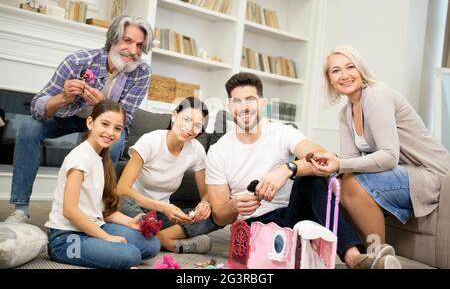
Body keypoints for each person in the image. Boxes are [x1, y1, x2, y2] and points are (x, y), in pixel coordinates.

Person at [206, 72, 402, 269]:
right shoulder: (218, 151)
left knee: (311, 178)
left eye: (250, 100)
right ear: (230, 107)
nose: (244, 107)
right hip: (255, 225)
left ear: (263, 104)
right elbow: (219, 216)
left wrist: (287, 169)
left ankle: (354, 258)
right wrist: (233, 206)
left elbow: (323, 158)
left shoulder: (282, 133)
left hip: (294, 214)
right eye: (237, 102)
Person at [6, 15, 153, 224]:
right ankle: (21, 209)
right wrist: (63, 97)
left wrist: (104, 104)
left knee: (116, 141)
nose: (133, 51)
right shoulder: (77, 61)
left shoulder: (142, 72)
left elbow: (126, 118)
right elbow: (37, 108)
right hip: (68, 116)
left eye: (139, 45)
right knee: (29, 128)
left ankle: (97, 209)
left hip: (104, 122)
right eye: (127, 41)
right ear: (112, 39)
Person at [309, 45, 450, 247]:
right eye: (336, 71)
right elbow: (350, 161)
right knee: (335, 183)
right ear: (330, 79)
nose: (344, 75)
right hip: (401, 172)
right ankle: (353, 254)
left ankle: (378, 256)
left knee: (348, 183)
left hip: (430, 174)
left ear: (361, 70)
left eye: (350, 67)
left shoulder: (375, 95)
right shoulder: (345, 113)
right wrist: (333, 165)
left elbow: (389, 156)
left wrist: (339, 164)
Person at [45, 100, 160, 269]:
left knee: (152, 244)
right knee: (131, 255)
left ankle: (103, 247)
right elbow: (70, 211)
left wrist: (130, 222)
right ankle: (102, 248)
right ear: (90, 123)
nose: (110, 132)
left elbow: (101, 211)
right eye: (105, 124)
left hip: (94, 226)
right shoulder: (79, 158)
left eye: (117, 128)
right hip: (66, 239)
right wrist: (106, 238)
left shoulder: (100, 158)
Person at [117, 97, 221, 254]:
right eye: (186, 119)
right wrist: (163, 207)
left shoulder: (196, 150)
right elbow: (121, 190)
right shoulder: (150, 141)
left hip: (161, 216)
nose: (190, 128)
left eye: (197, 125)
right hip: (134, 208)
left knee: (215, 214)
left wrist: (205, 204)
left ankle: (148, 237)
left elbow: (206, 194)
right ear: (174, 116)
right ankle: (171, 244)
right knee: (120, 200)